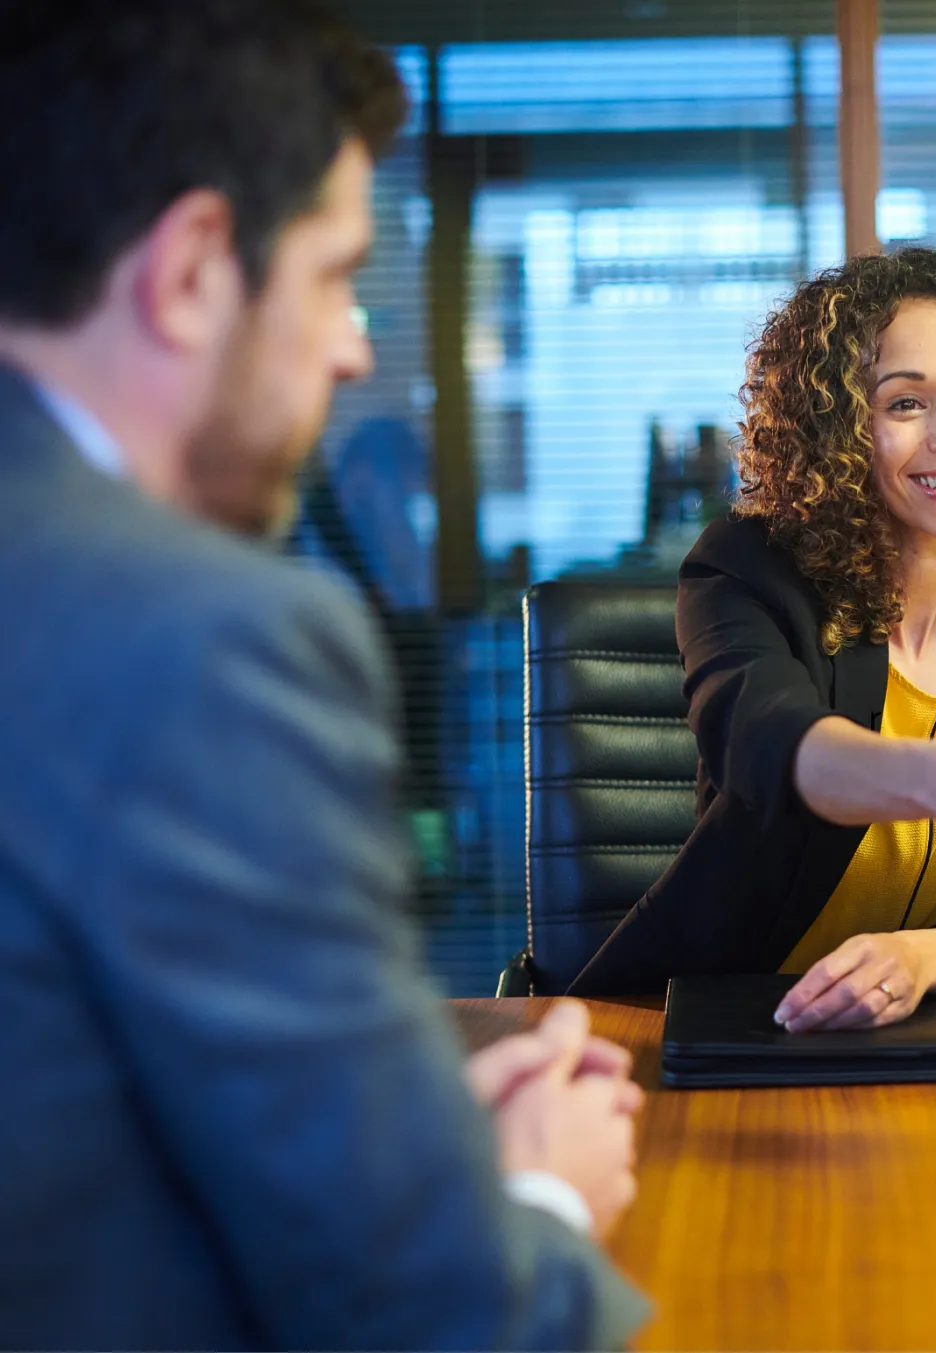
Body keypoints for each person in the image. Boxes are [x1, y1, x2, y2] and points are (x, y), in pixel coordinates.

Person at [0, 2, 646, 1346]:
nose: (354, 346)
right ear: (190, 272)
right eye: (335, 277)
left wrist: (384, 1128)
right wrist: (535, 1196)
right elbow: (433, 1313)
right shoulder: (191, 631)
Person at [576, 245, 936, 1029]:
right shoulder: (745, 572)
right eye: (905, 404)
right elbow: (771, 746)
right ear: (841, 431)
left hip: (930, 1026)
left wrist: (922, 958)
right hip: (720, 1012)